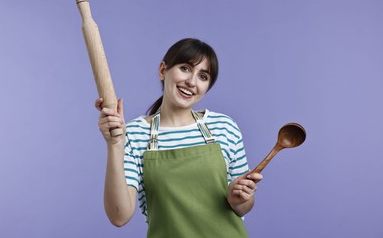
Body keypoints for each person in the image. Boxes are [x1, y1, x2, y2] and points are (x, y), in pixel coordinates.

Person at [95, 38, 263, 237]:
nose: (191, 82)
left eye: (203, 76)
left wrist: (241, 199)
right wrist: (115, 144)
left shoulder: (224, 127)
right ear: (163, 70)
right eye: (185, 68)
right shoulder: (134, 134)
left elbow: (243, 207)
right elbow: (119, 216)